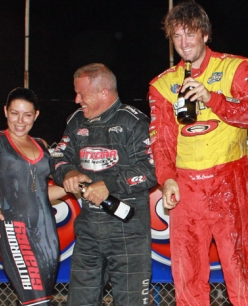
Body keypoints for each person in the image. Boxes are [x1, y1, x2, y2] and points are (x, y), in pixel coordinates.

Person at [148, 1, 248, 305]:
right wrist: (166, 179)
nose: (184, 43)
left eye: (190, 34)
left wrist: (211, 98)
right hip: (186, 190)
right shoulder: (162, 85)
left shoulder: (236, 67)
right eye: (177, 37)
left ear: (205, 33)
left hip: (229, 181)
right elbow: (161, 140)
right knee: (187, 277)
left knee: (241, 271)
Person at [50, 63, 157, 305]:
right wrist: (68, 173)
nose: (77, 100)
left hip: (128, 232)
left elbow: (154, 169)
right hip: (88, 230)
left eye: (82, 94)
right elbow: (57, 157)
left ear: (103, 93)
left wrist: (107, 184)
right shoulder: (76, 121)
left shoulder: (134, 122)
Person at [0, 87, 67, 305]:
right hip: (16, 231)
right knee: (36, 302)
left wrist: (76, 187)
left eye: (27, 115)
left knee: (41, 300)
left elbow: (43, 194)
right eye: (14, 113)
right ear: (5, 111)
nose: (20, 121)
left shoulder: (41, 145)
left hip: (47, 236)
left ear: (36, 115)